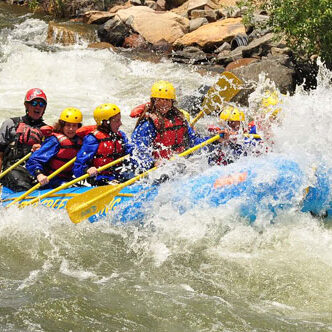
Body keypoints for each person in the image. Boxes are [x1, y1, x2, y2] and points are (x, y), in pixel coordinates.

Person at [131, 80, 218, 170]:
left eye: (167, 100)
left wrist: (216, 140)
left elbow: (194, 141)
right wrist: (152, 163)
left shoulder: (180, 119)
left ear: (172, 102)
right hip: (157, 169)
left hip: (178, 164)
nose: (163, 103)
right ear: (153, 101)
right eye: (160, 100)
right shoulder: (148, 124)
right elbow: (137, 150)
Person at [73, 103, 135, 186]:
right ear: (106, 123)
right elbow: (78, 167)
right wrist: (87, 169)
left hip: (119, 175)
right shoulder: (92, 139)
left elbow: (133, 153)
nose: (120, 124)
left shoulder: (121, 136)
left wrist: (151, 162)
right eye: (117, 121)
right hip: (100, 178)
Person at [0, 88, 48, 192]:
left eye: (41, 104)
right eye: (34, 103)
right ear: (26, 105)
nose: (38, 107)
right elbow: (0, 153)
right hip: (11, 169)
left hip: (35, 171)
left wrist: (42, 148)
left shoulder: (47, 131)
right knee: (23, 186)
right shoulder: (10, 124)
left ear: (44, 108)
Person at [26, 107, 83, 188]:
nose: (71, 129)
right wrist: (39, 174)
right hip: (49, 179)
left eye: (74, 126)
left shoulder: (80, 141)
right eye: (68, 125)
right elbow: (34, 160)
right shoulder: (54, 141)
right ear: (62, 126)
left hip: (67, 179)